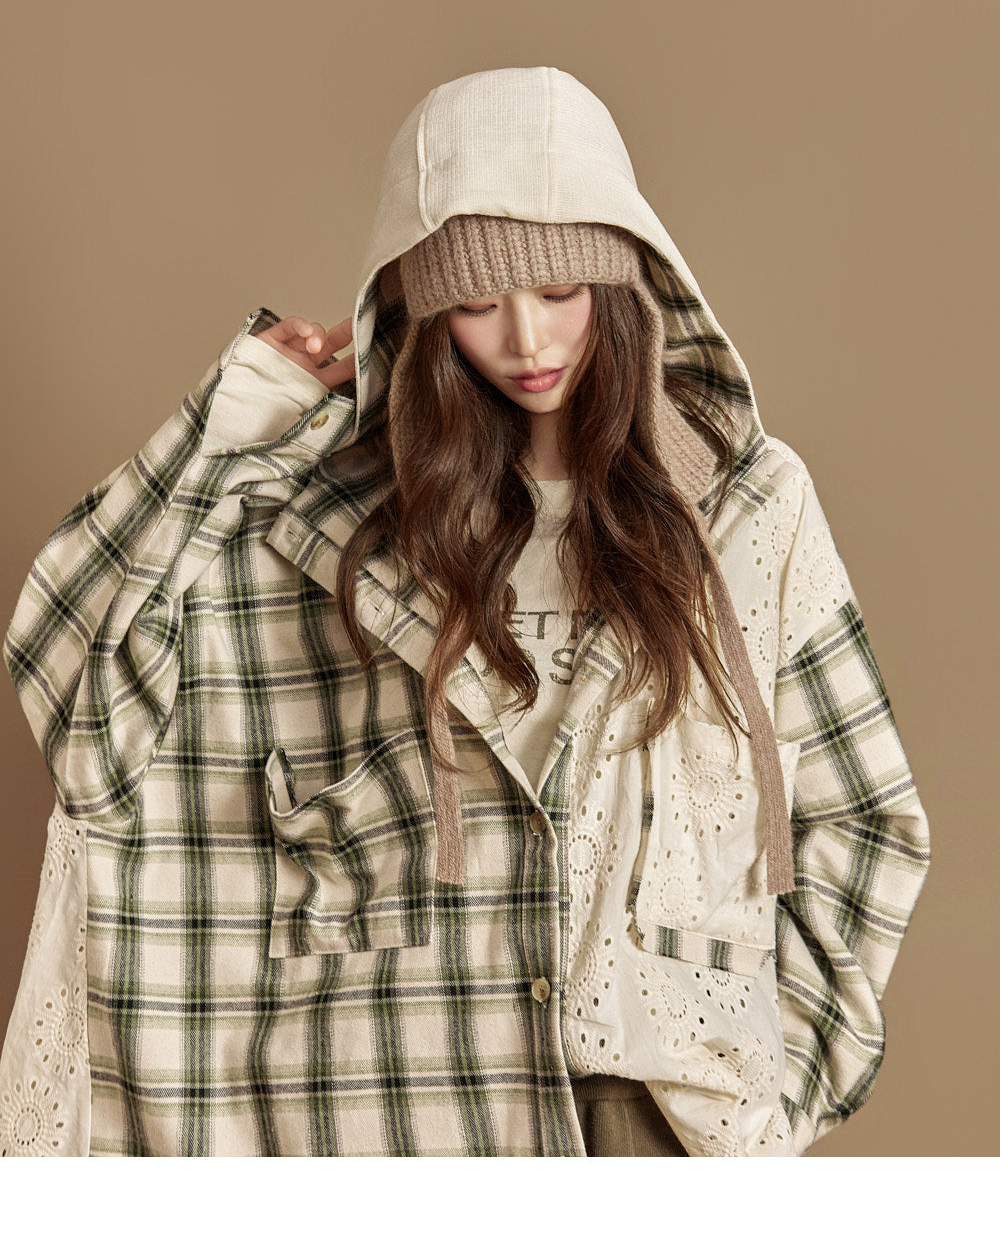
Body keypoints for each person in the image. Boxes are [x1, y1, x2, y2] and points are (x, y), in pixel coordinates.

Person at [0, 66, 930, 1157]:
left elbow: (864, 815)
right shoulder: (322, 529)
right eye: (479, 307)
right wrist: (233, 420)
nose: (528, 341)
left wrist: (775, 1091)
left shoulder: (746, 510)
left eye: (561, 292)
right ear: (424, 316)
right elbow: (77, 697)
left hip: (655, 1125)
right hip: (403, 1119)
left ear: (626, 284)